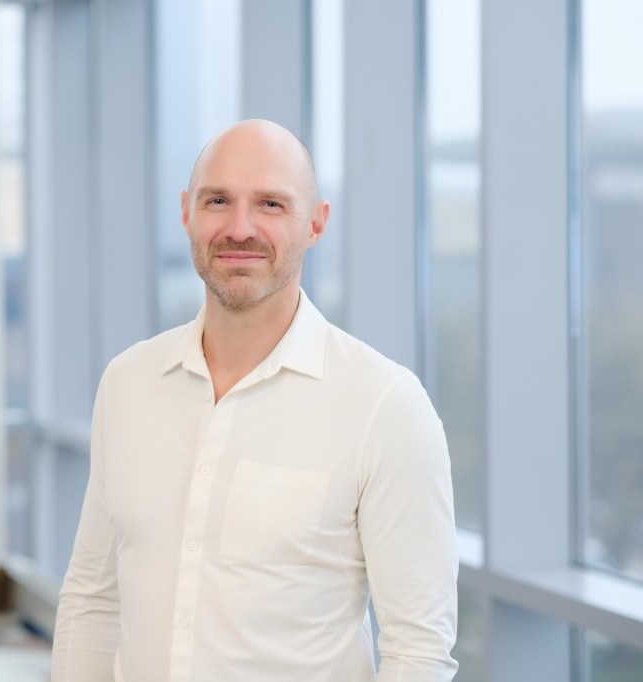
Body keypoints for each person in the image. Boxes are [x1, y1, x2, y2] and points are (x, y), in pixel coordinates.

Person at [52, 119, 458, 681]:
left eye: (271, 204)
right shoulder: (128, 383)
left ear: (315, 223)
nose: (240, 228)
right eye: (218, 200)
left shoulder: (385, 406)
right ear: (186, 212)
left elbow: (419, 652)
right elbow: (92, 601)